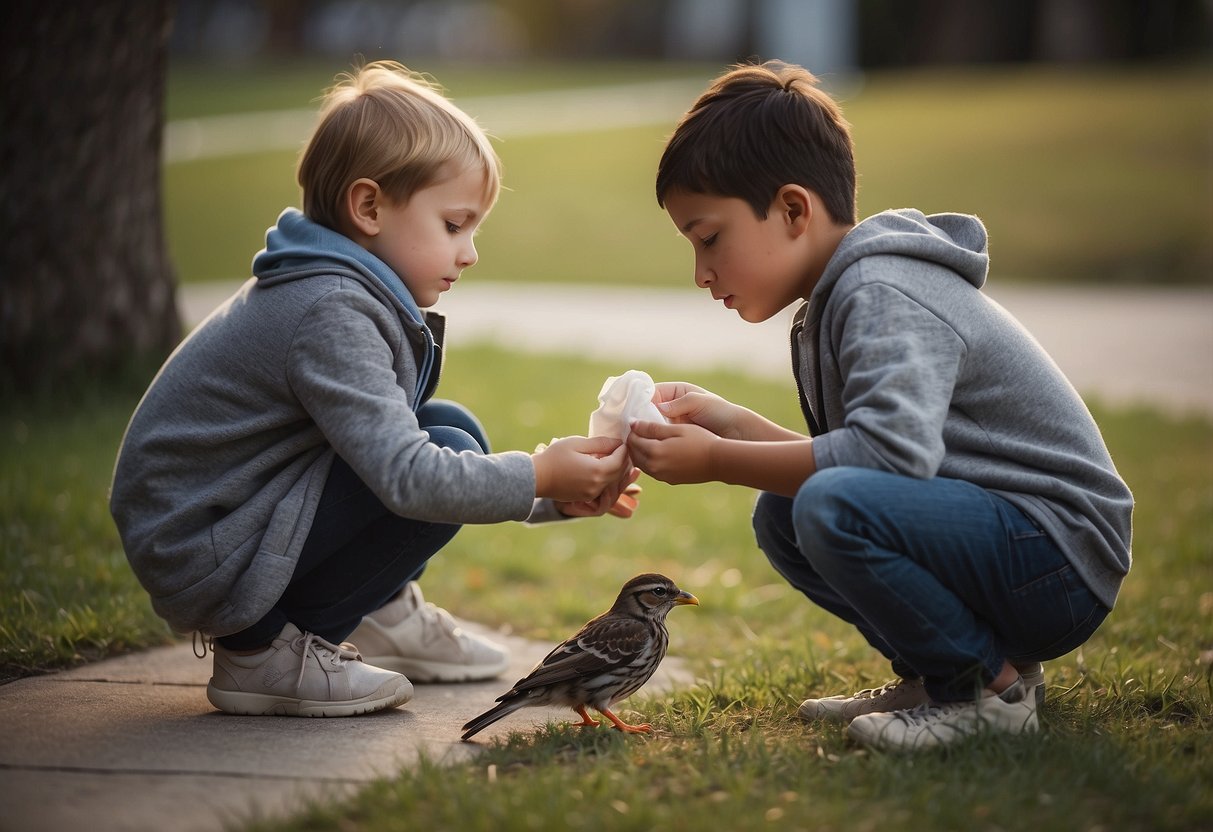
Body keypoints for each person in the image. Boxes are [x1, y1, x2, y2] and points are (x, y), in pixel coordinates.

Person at [625, 61, 1133, 751]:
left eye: (709, 237)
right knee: (786, 512)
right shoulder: (838, 297)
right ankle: (942, 674)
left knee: (819, 506)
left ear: (793, 209)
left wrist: (719, 459)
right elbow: (867, 471)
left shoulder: (880, 289)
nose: (700, 273)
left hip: (1057, 557)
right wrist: (728, 422)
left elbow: (881, 465)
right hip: (1016, 551)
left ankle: (989, 693)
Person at [110, 61, 638, 718]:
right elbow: (409, 480)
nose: (470, 252)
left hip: (234, 520)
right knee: (438, 441)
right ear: (368, 207)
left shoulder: (336, 291)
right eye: (454, 225)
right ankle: (262, 653)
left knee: (448, 425)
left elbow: (394, 453)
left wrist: (549, 493)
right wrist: (535, 475)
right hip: (207, 549)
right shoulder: (331, 311)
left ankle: (376, 613)